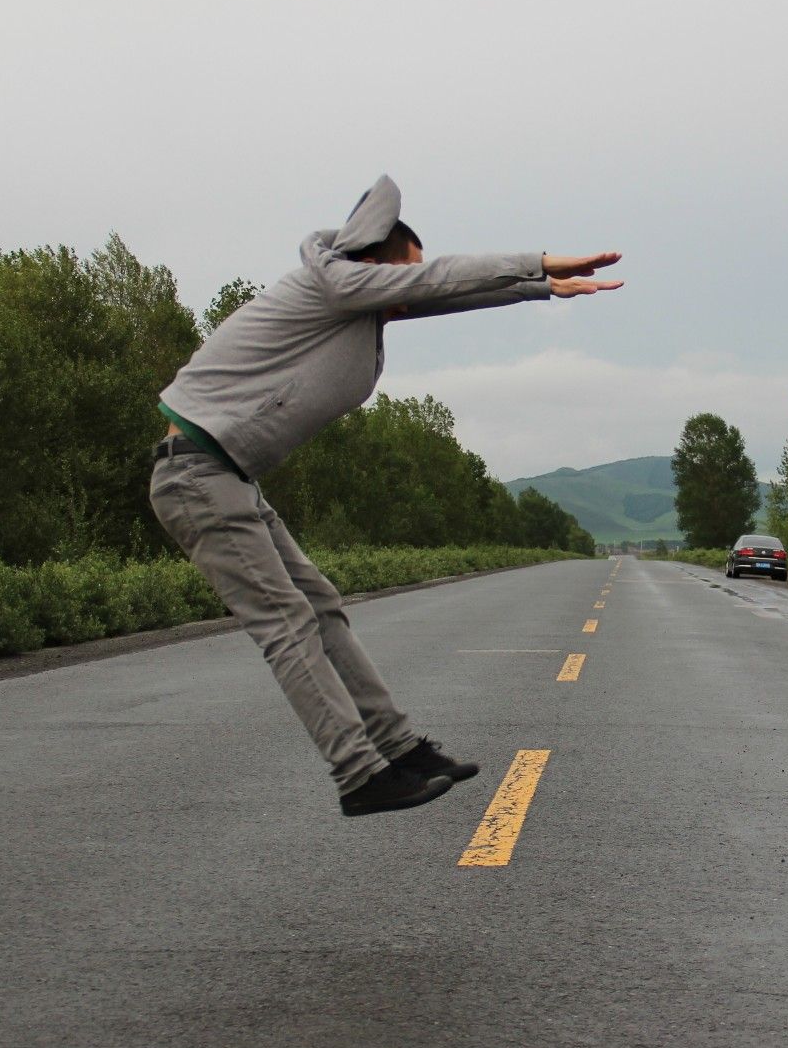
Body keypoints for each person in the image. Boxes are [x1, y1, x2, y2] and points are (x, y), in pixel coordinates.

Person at [152, 176, 621, 816]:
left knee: (321, 607)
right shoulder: (330, 283)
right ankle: (358, 774)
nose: (411, 292)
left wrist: (538, 291)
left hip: (226, 478)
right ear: (373, 260)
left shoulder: (353, 302)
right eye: (406, 276)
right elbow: (427, 286)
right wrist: (536, 260)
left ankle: (399, 750)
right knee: (288, 625)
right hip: (195, 477)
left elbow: (438, 295)